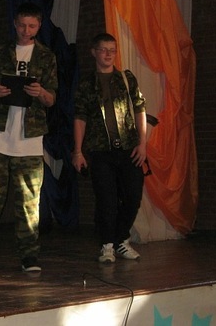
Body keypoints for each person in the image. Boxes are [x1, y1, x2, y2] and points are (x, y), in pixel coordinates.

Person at [0, 2, 57, 272]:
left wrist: (40, 93)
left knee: (29, 203)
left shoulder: (46, 56)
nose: (26, 30)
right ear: (14, 24)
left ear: (38, 26)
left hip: (29, 140)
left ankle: (29, 255)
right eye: (21, 25)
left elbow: (52, 99)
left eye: (31, 26)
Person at [72, 33, 147, 263]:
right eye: (103, 50)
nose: (108, 54)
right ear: (94, 52)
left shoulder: (126, 78)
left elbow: (140, 109)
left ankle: (121, 239)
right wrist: (78, 151)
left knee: (133, 196)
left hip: (129, 148)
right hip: (100, 150)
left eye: (112, 50)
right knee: (107, 199)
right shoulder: (87, 83)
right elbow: (80, 117)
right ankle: (107, 245)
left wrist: (143, 143)